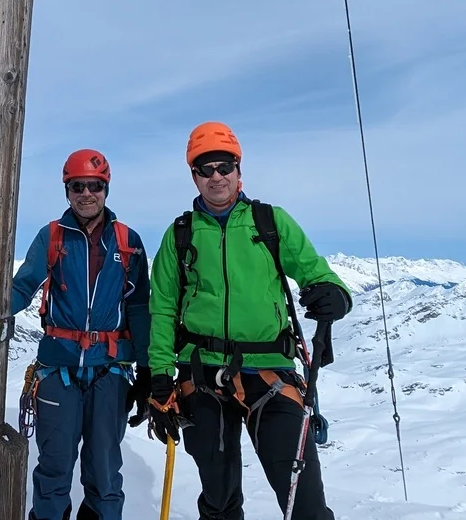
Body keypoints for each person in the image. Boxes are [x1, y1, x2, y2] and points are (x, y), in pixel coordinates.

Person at [145, 122, 353, 520]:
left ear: (239, 170)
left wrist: (334, 294)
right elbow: (163, 309)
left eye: (224, 166)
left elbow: (317, 273)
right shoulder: (180, 235)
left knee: (302, 496)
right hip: (200, 372)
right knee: (219, 495)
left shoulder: (269, 222)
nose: (216, 177)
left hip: (270, 371)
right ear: (194, 176)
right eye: (205, 169)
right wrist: (158, 376)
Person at [11, 149, 153, 520]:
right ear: (67, 190)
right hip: (57, 369)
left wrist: (149, 368)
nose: (86, 194)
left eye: (94, 186)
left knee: (104, 472)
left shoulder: (128, 241)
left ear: (106, 188)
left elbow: (138, 307)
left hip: (110, 369)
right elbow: (23, 287)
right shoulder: (53, 236)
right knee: (54, 469)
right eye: (77, 186)